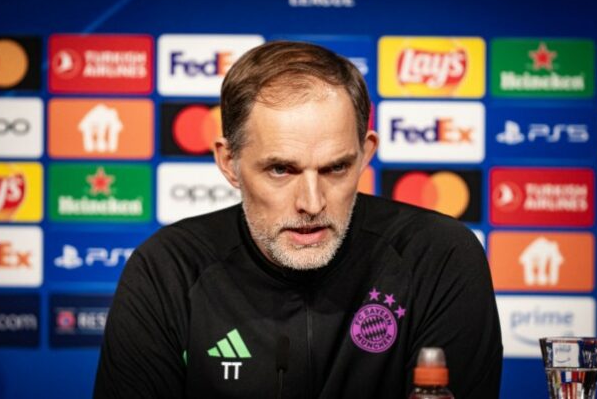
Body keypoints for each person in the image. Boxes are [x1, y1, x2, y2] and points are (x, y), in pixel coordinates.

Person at [94, 41, 502, 398]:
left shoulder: (437, 257)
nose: (311, 203)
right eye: (281, 170)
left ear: (366, 153)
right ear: (229, 162)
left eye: (336, 168)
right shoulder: (169, 269)